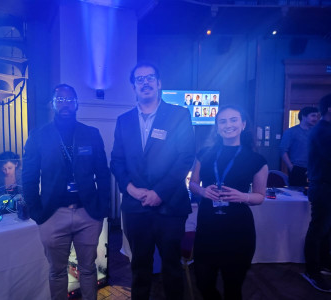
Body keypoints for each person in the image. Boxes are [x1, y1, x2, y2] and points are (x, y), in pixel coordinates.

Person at [111, 62, 195, 300]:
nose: (145, 82)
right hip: (135, 207)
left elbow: (185, 157)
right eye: (139, 79)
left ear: (159, 83)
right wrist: (131, 190)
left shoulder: (179, 115)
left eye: (150, 78)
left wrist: (159, 192)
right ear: (134, 87)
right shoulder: (123, 120)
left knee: (171, 266)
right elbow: (116, 161)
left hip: (170, 206)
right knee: (139, 266)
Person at [22, 83, 111, 300]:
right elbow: (29, 176)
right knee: (57, 271)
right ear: (52, 104)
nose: (65, 103)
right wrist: (37, 212)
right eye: (60, 99)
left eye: (69, 100)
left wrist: (102, 208)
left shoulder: (91, 134)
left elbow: (103, 173)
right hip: (53, 214)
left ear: (77, 104)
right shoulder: (38, 136)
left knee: (89, 269)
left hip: (87, 213)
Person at [189, 105, 268, 300]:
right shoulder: (204, 154)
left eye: (233, 120)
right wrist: (203, 191)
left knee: (233, 288)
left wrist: (244, 197)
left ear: (243, 124)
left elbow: (260, 196)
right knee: (203, 282)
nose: (228, 125)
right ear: (217, 127)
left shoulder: (256, 159)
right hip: (208, 226)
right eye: (222, 121)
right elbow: (192, 183)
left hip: (238, 230)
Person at [302, 94, 331, 293]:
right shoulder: (322, 131)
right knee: (318, 229)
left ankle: (323, 263)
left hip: (325, 185)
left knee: (326, 230)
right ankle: (312, 271)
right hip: (323, 186)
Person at [279, 106, 319, 186]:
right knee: (296, 194)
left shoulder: (316, 132)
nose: (316, 118)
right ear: (304, 116)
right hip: (297, 168)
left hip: (314, 169)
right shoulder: (291, 132)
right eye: (313, 116)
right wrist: (291, 167)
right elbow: (283, 150)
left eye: (317, 116)